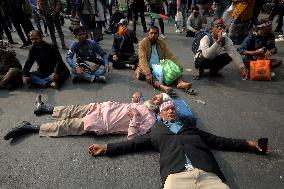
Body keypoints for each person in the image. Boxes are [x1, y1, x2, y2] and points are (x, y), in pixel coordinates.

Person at [89, 101, 268, 189]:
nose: (171, 110)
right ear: (161, 114)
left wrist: (246, 143)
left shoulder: (190, 128)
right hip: (176, 176)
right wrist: (107, 147)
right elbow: (134, 144)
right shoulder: (156, 131)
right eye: (167, 109)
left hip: (207, 174)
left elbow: (217, 140)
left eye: (173, 109)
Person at [3, 92, 157, 141]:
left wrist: (135, 118)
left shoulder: (151, 122)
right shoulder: (147, 104)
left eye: (161, 101)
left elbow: (132, 137)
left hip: (102, 122)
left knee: (67, 125)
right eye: (157, 97)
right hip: (101, 107)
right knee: (72, 109)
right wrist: (137, 96)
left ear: (161, 110)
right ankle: (43, 108)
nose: (156, 98)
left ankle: (29, 127)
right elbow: (137, 100)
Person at [135, 26, 192, 93]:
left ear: (158, 34)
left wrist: (178, 65)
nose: (153, 35)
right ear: (148, 34)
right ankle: (163, 87)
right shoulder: (143, 43)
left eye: (155, 33)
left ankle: (180, 83)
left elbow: (170, 55)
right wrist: (147, 73)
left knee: (173, 69)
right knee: (144, 73)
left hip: (160, 66)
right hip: (148, 67)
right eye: (151, 33)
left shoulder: (161, 43)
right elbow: (142, 58)